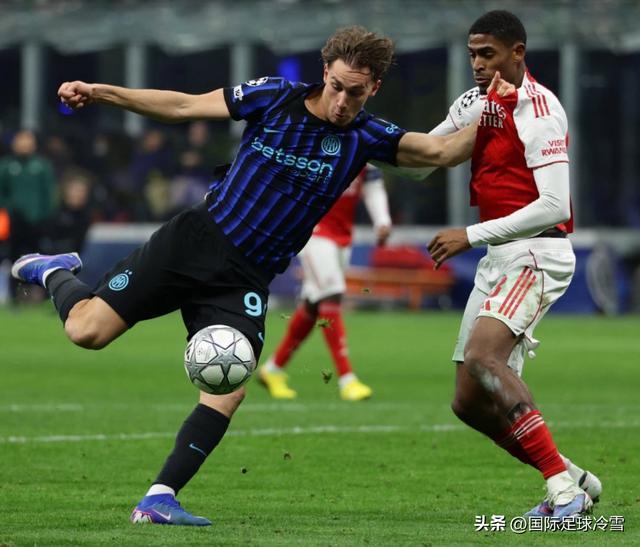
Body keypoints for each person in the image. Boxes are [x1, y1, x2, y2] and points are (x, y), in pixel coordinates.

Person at [11, 26, 509, 526]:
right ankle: (55, 272)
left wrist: (500, 109)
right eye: (336, 86)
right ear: (324, 73)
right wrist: (101, 92)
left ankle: (159, 498)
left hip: (245, 278)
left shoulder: (366, 136)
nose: (342, 101)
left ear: (373, 88)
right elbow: (183, 106)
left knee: (229, 385)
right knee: (86, 332)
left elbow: (442, 153)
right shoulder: (273, 97)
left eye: (355, 92)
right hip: (194, 243)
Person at [424, 11, 599, 520]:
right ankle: (573, 478)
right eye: (472, 54)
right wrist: (357, 140)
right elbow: (428, 155)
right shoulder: (475, 102)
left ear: (517, 52)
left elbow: (555, 205)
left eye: (488, 54)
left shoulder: (540, 110)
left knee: (485, 357)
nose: (477, 64)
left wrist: (469, 234)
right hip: (500, 256)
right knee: (468, 402)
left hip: (537, 253)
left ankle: (564, 495)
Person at [259, 163, 391, 401]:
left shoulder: (366, 145)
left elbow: (372, 184)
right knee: (332, 294)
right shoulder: (317, 143)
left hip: (342, 235)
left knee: (313, 303)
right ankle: (347, 379)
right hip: (312, 230)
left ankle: (273, 369)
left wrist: (382, 221)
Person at [0, 129, 56, 302]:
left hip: (38, 223)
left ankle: (41, 297)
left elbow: (49, 194)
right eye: (21, 140)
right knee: (13, 258)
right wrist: (11, 209)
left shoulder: (42, 166)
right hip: (14, 223)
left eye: (28, 141)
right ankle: (14, 296)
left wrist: (46, 217)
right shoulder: (6, 166)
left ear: (34, 144)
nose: (24, 145)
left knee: (40, 260)